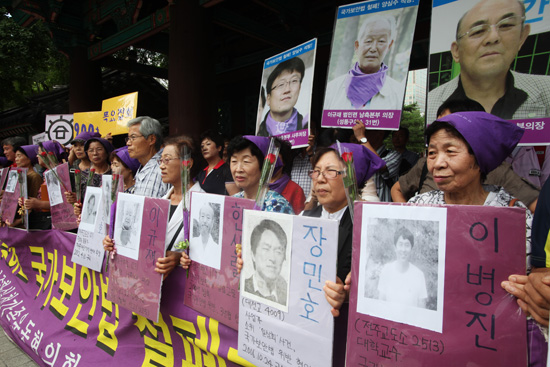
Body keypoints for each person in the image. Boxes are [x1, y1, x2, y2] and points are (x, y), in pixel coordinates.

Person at [427, 0, 550, 187]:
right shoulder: (433, 100)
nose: (493, 38)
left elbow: (536, 205)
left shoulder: (546, 91)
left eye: (506, 26)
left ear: (522, 37)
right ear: (456, 51)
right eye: (477, 31)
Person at [392, 99, 540, 212]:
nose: (438, 163)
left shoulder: (508, 209)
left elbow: (536, 205)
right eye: (432, 153)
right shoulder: (420, 202)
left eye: (450, 151)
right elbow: (396, 189)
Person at [324, 15, 405, 110]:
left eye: (381, 41)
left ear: (389, 46)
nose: (373, 48)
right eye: (368, 41)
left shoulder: (398, 92)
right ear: (357, 46)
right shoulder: (331, 89)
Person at [226, 135, 294, 214]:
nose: (238, 169)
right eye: (234, 161)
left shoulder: (277, 206)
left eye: (246, 161)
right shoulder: (232, 202)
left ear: (264, 166)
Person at [377, 226, 428, 308]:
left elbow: (422, 310)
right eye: (400, 244)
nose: (403, 250)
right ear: (395, 248)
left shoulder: (419, 275)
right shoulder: (386, 271)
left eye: (407, 245)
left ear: (411, 248)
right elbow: (381, 304)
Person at [256, 57, 308, 136]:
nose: (287, 89)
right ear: (268, 98)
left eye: (294, 81)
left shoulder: (306, 126)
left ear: (299, 87)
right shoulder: (259, 134)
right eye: (281, 85)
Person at [244, 219, 288, 306]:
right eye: (266, 249)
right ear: (253, 254)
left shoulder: (289, 295)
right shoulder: (241, 286)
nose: (272, 258)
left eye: (278, 252)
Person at [352, 123, 401, 201]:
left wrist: (361, 137)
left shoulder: (394, 155)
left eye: (365, 130)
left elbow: (379, 164)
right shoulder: (356, 155)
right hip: (359, 207)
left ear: (380, 133)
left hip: (382, 209)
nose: (362, 132)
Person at [126, 116, 169, 198]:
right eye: (128, 138)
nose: (128, 143)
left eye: (133, 137)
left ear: (151, 139)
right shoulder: (142, 167)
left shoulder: (163, 167)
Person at [196, 130, 235, 195]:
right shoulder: (201, 173)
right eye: (202, 146)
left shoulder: (228, 171)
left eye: (208, 144)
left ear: (219, 148)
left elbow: (235, 199)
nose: (204, 148)